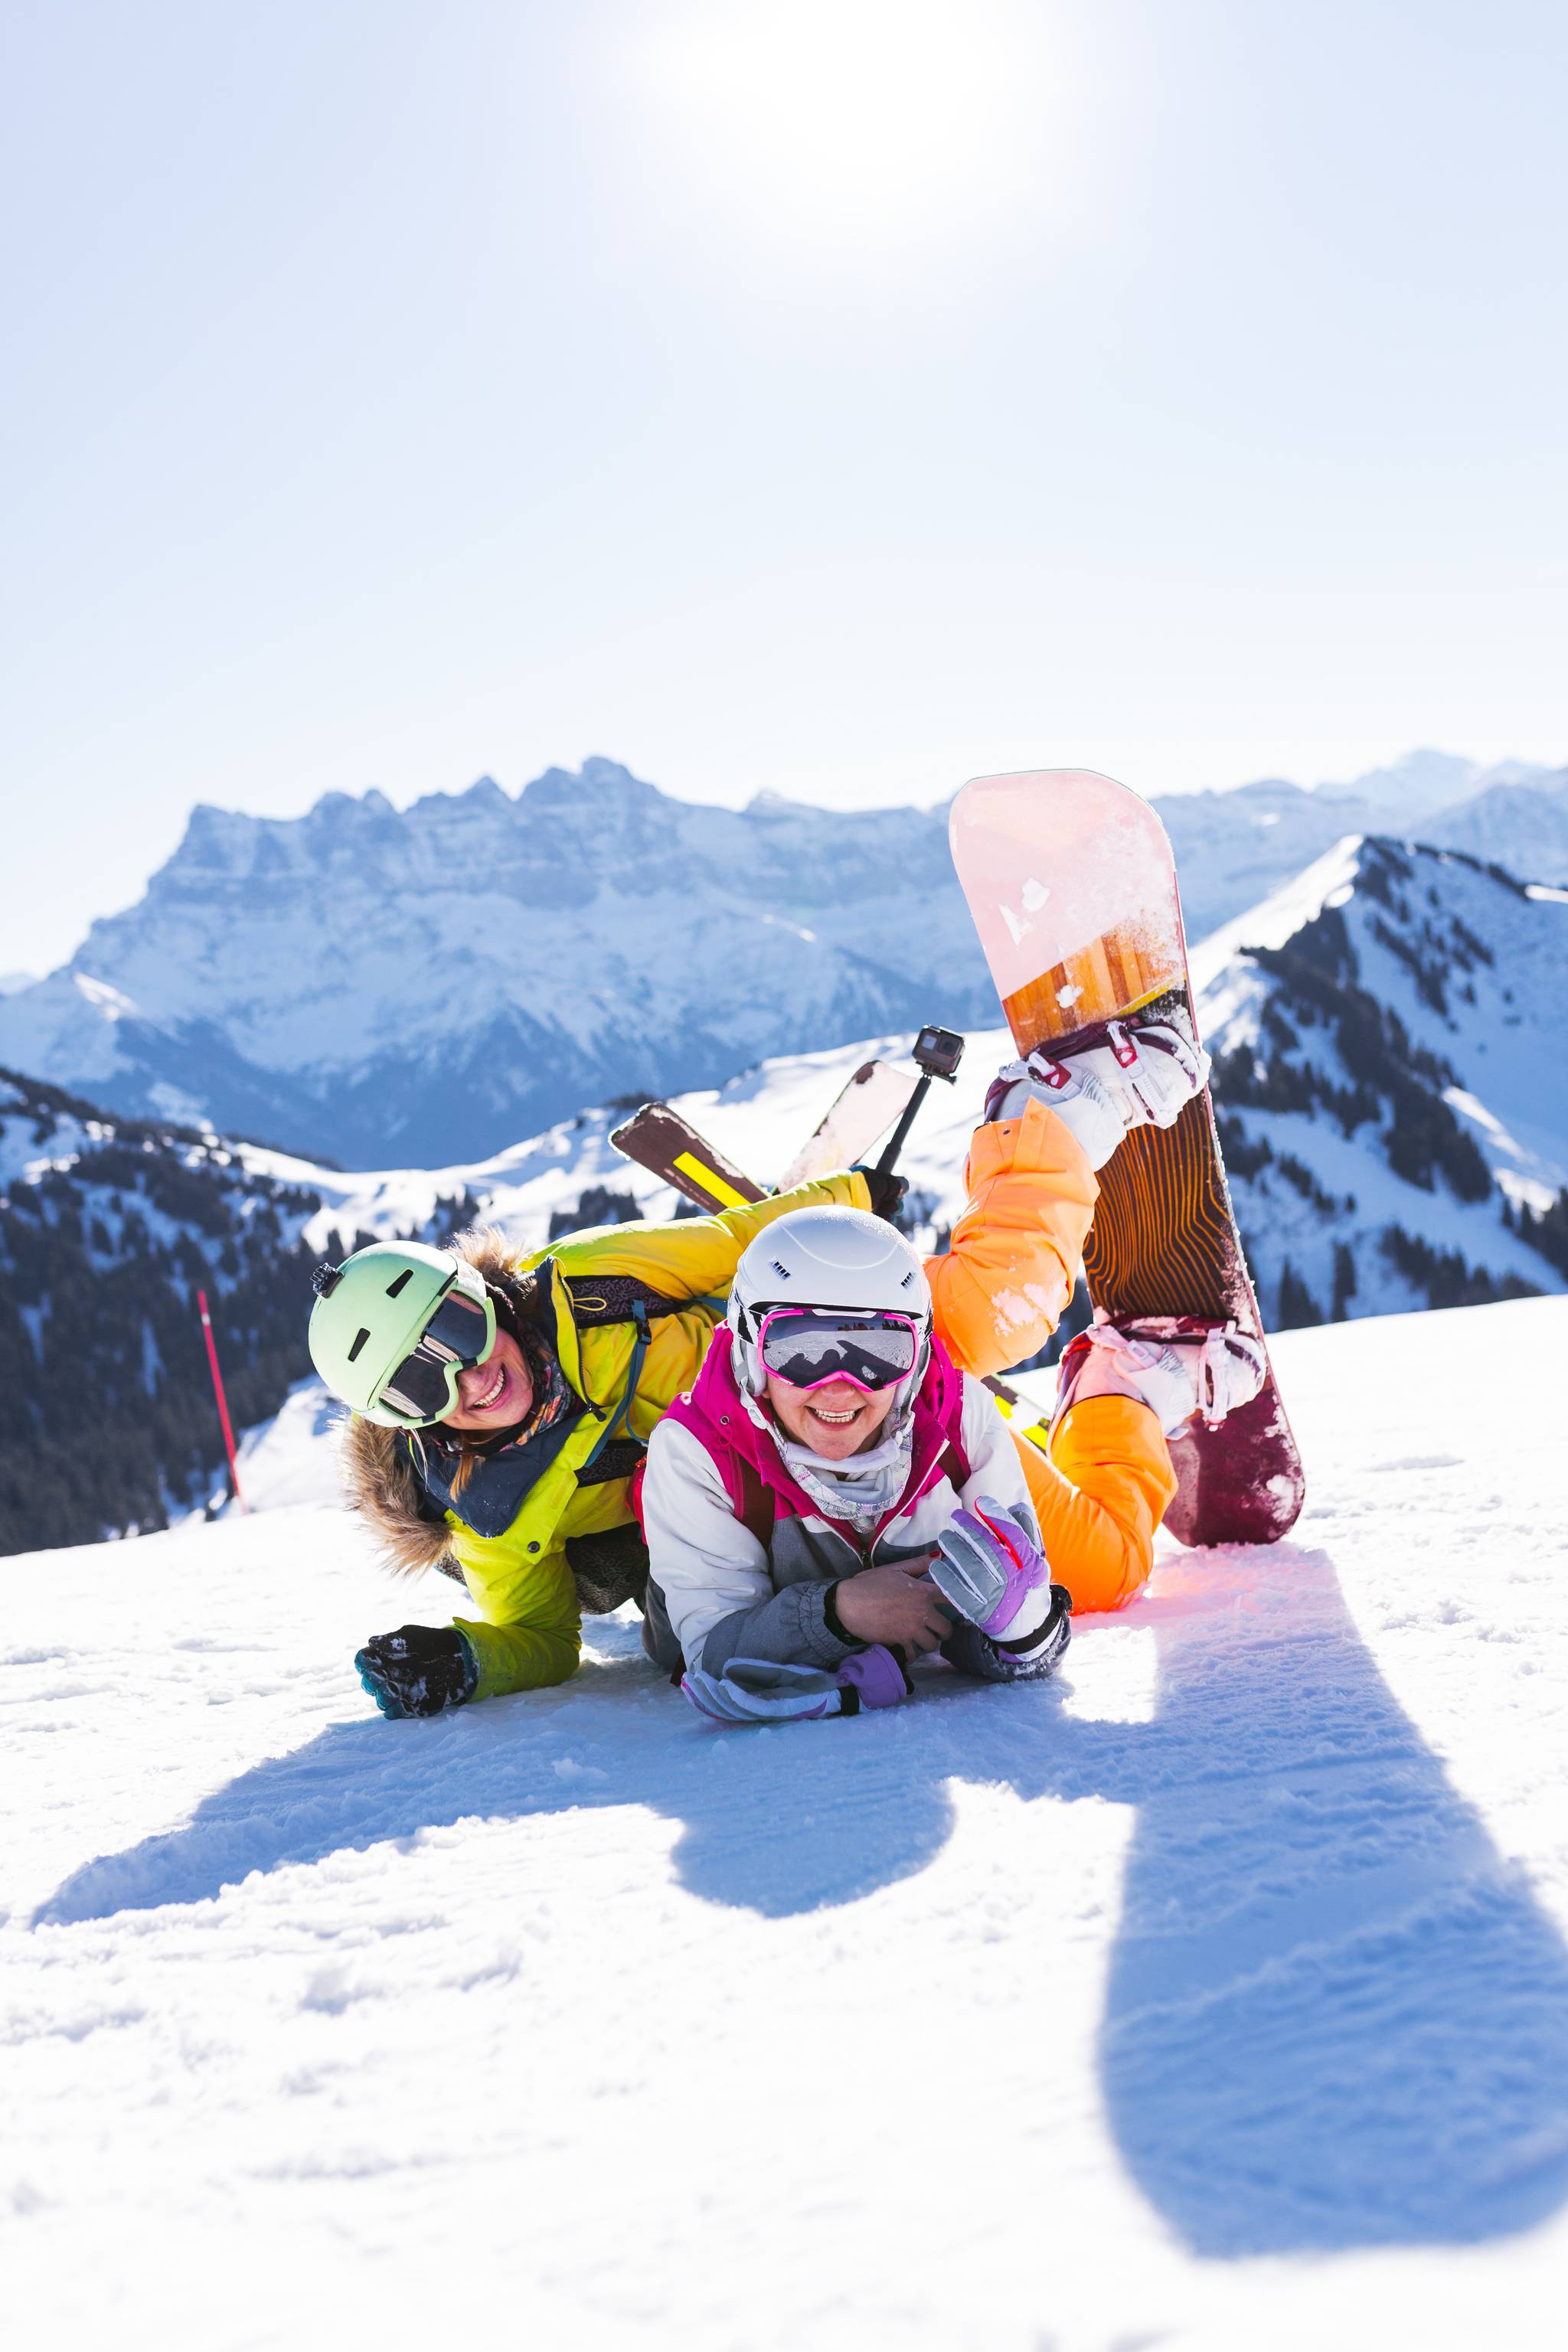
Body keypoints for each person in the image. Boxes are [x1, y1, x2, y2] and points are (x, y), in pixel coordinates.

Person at [309, 1015, 1259, 1718]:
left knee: (975, 1319)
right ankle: (1129, 1383)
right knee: (1100, 1572)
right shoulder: (494, 1508)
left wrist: (849, 1204)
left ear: (480, 1297)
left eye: (459, 1332)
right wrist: (468, 1660)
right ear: (405, 1418)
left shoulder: (586, 1286)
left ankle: (1053, 1119)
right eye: (422, 1384)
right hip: (797, 1520)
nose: (469, 1377)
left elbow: (730, 1244)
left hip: (822, 1354)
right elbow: (542, 1641)